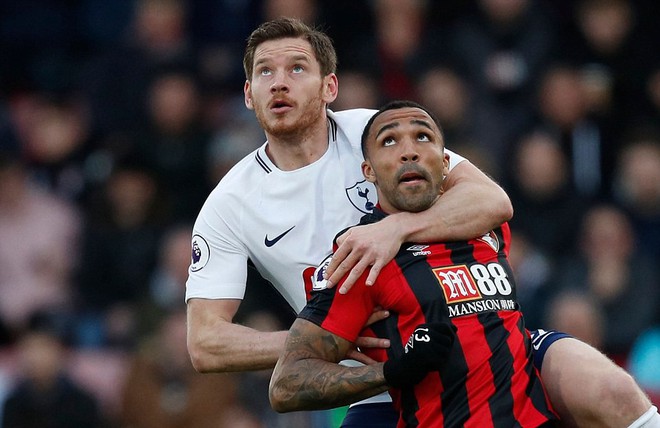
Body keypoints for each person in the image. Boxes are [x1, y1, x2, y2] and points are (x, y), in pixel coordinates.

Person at [186, 17, 659, 428]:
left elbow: (490, 199)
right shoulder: (229, 203)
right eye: (264, 73)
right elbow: (205, 342)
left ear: (330, 86)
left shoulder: (381, 133)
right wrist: (323, 342)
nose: (279, 83)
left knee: (612, 393)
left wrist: (395, 229)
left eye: (296, 69)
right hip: (381, 383)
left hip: (486, 339)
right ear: (248, 95)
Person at [269, 100, 558, 427]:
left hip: (536, 419)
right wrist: (394, 371)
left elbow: (498, 203)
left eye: (422, 137)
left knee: (604, 386)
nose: (409, 151)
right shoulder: (361, 257)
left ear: (446, 163)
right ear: (369, 171)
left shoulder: (483, 225)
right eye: (389, 141)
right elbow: (286, 384)